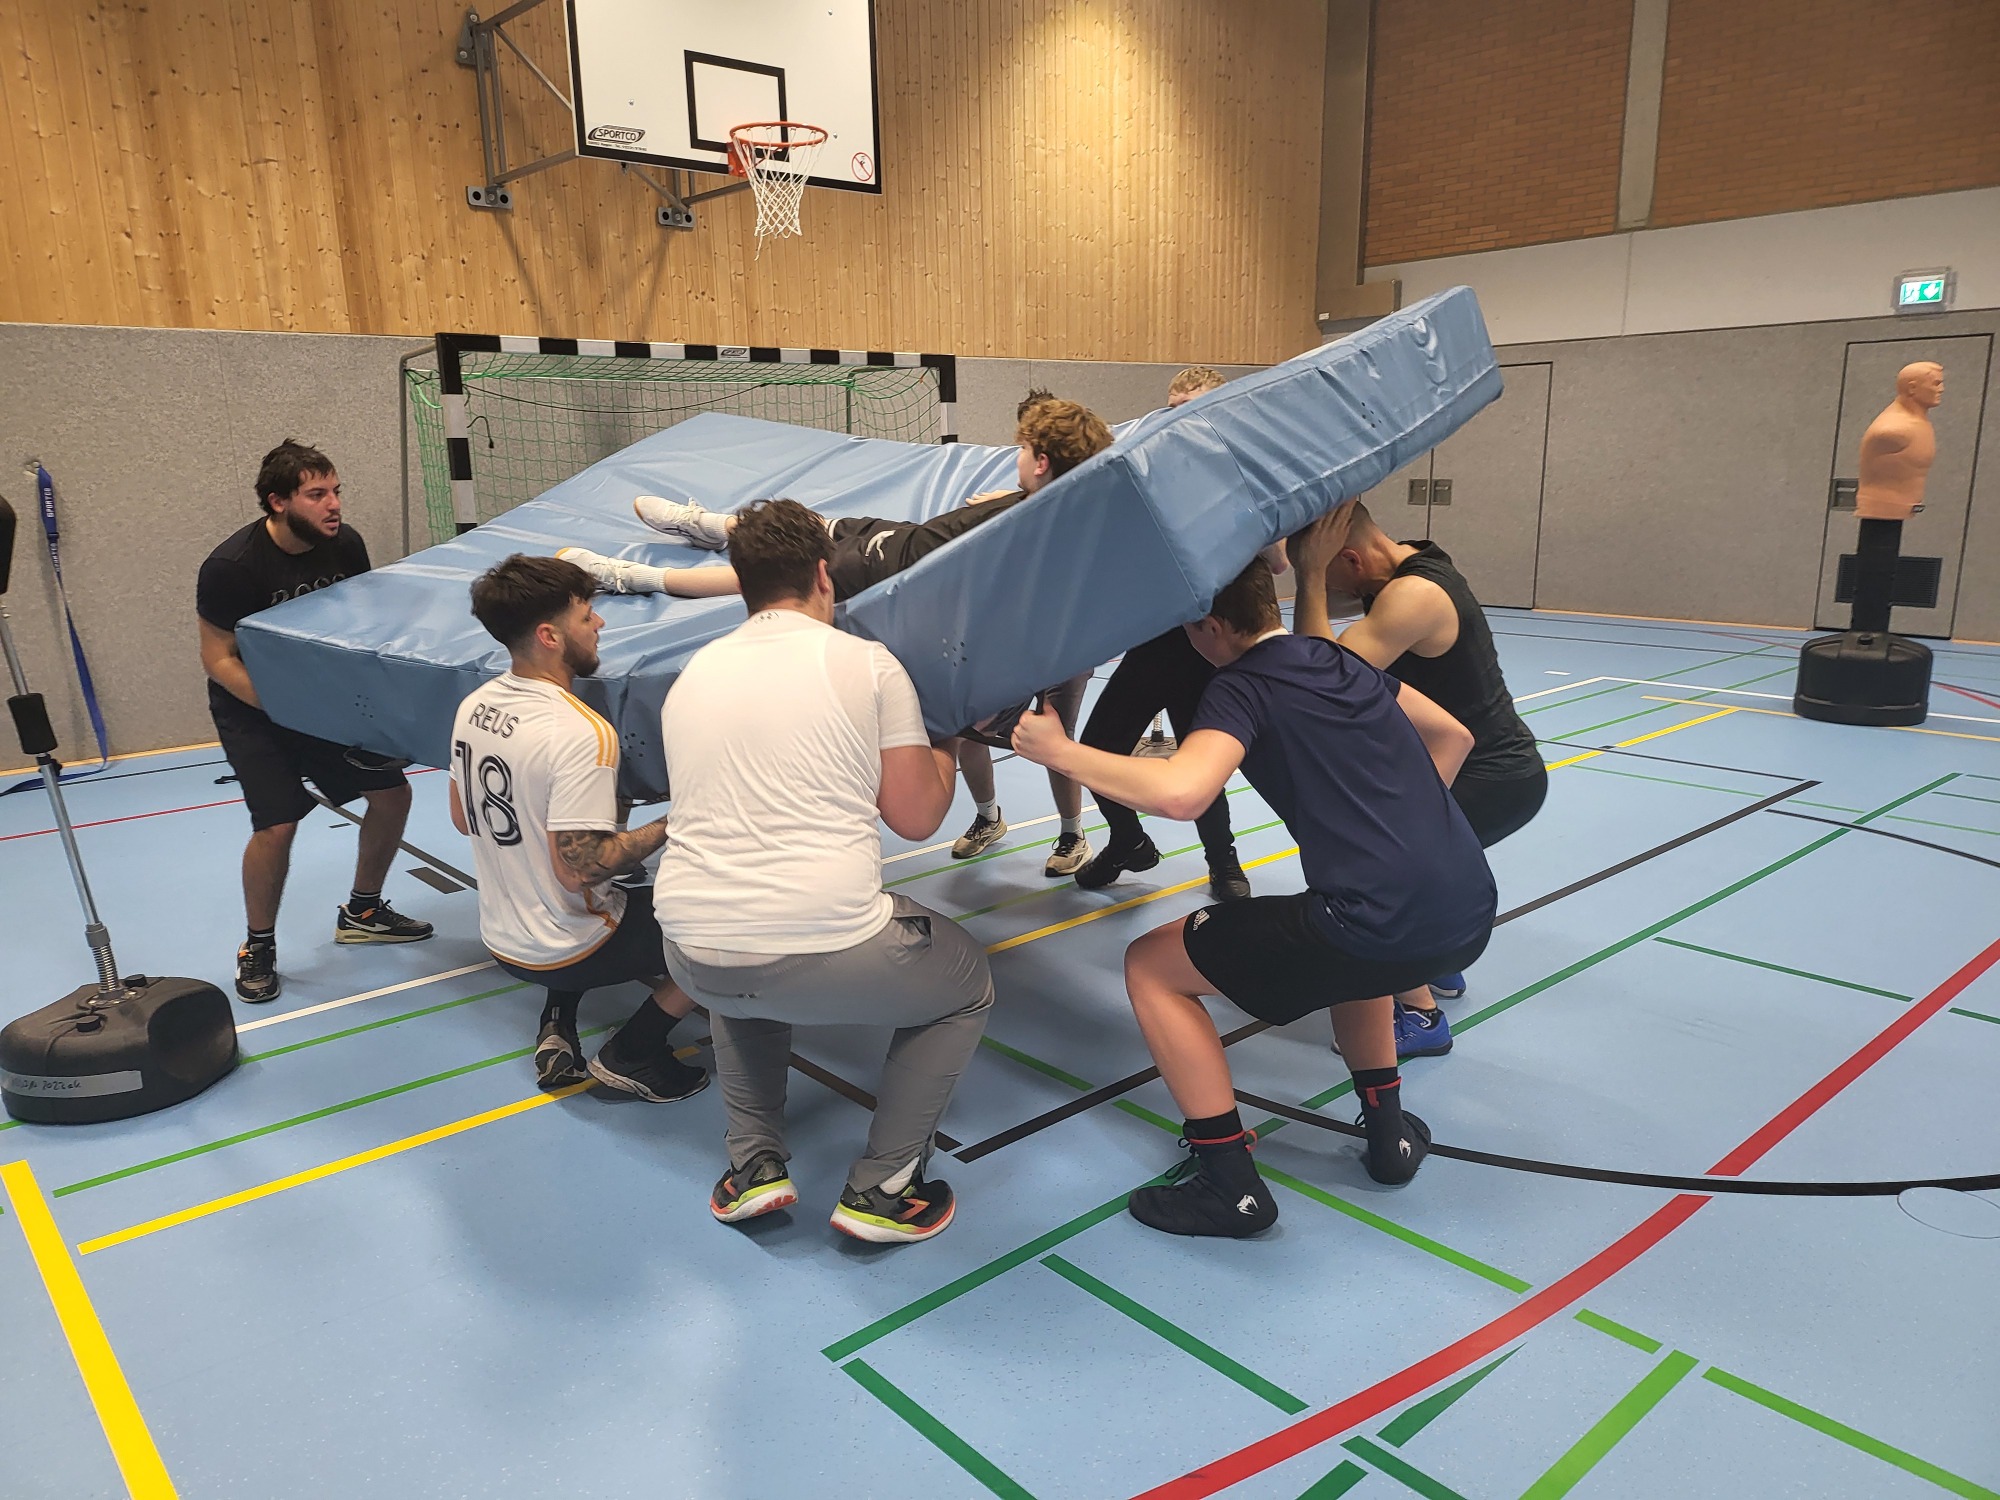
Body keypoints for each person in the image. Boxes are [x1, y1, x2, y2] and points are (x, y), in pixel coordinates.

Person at [1011, 552, 1495, 1238]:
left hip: (1378, 920)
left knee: (1151, 965)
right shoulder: (1337, 657)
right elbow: (1454, 735)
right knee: (1358, 961)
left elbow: (1183, 793)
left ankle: (1227, 1183)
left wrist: (1058, 750)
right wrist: (1397, 835)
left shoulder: (1240, 683)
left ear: (1209, 625)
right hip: (1468, 906)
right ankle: (1390, 1136)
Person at [561, 397, 1115, 879]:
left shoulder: (1032, 529)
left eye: (1022, 451)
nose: (1015, 457)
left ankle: (634, 574)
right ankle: (709, 528)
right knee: (802, 536)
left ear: (1041, 462)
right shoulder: (1050, 509)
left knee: (771, 568)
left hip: (895, 570)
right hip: (894, 547)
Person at [652, 499, 994, 1243]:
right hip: (821, 944)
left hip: (688, 952)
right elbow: (917, 818)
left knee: (737, 960)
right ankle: (884, 1187)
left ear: (742, 583)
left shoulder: (691, 674)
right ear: (823, 574)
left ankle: (752, 1165)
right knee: (966, 984)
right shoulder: (866, 662)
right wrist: (943, 737)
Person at [1291, 503, 1546, 1057]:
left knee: (1378, 873)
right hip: (1475, 765)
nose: (1331, 592)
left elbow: (1321, 677)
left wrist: (1309, 574)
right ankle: (1436, 965)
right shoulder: (1402, 565)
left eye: (1333, 575)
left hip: (1491, 776)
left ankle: (1420, 1015)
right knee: (1400, 862)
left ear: (1351, 559)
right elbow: (1320, 611)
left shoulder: (1414, 596)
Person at [450, 554, 708, 1101]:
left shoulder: (475, 706)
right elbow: (581, 870)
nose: (600, 624)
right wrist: (680, 818)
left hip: (501, 939)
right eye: (587, 616)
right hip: (570, 949)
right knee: (724, 926)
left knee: (594, 882)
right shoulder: (580, 731)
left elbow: (460, 814)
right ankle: (634, 1052)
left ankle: (556, 1021)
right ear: (550, 636)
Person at [196, 440, 432, 1003]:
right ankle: (258, 945)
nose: (334, 504)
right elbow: (218, 659)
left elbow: (358, 627)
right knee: (277, 824)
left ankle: (363, 912)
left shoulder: (345, 545)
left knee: (392, 796)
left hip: (324, 700)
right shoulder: (231, 568)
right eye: (317, 494)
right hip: (254, 708)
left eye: (336, 491)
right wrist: (285, 707)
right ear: (278, 502)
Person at [1070, 366, 1257, 902]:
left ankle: (1223, 862)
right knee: (1095, 751)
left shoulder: (1242, 474)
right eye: (1172, 411)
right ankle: (1128, 841)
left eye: (1191, 410)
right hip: (1156, 643)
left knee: (1203, 769)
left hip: (1210, 648)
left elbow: (1278, 561)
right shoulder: (1150, 473)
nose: (1179, 422)